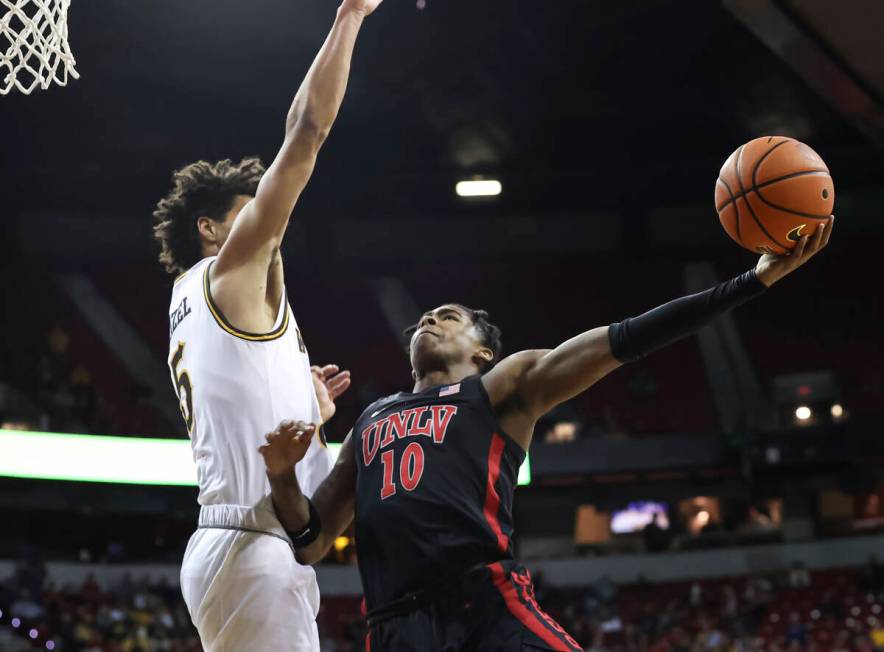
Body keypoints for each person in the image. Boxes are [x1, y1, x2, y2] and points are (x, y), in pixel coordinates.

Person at [261, 219, 833, 651]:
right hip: (393, 626)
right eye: (427, 316)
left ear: (483, 352)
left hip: (483, 605)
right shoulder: (371, 418)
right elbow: (310, 540)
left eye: (449, 315)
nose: (431, 317)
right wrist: (283, 475)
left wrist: (747, 283)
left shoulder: (502, 388)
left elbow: (626, 339)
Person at [150, 0, 382, 648]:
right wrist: (351, 17)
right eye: (251, 210)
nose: (269, 218)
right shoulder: (227, 272)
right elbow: (307, 131)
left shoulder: (198, 298)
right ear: (211, 228)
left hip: (250, 544)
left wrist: (309, 417)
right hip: (250, 545)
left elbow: (236, 402)